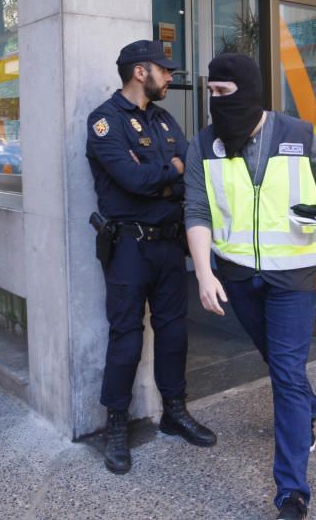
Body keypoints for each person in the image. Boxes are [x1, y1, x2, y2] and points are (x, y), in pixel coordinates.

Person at [184, 54, 316, 520]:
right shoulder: (204, 144)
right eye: (210, 93)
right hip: (237, 275)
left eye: (223, 93)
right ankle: (310, 405)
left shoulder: (296, 133)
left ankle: (291, 494)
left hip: (293, 276)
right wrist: (204, 271)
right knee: (277, 361)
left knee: (286, 373)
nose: (215, 102)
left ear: (250, 90)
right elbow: (196, 209)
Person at [86, 39, 216, 475]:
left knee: (174, 332)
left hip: (167, 243)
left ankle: (174, 412)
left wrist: (166, 176)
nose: (170, 77)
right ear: (141, 72)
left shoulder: (163, 119)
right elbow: (130, 179)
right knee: (126, 336)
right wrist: (168, 173)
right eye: (165, 71)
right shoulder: (105, 122)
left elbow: (188, 172)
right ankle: (116, 426)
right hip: (127, 248)